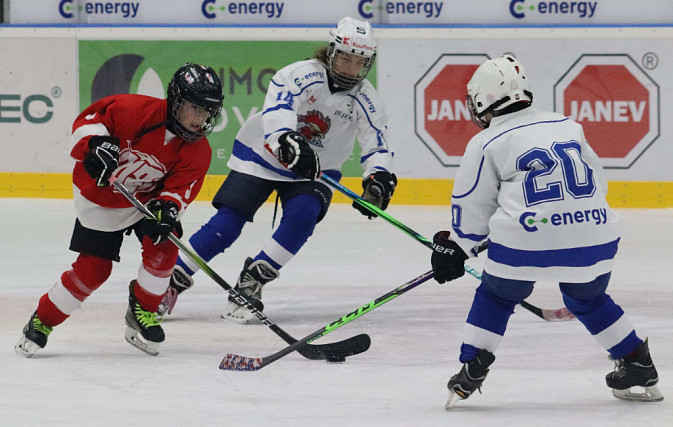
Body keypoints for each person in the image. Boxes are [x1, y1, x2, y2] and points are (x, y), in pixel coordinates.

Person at [430, 55, 662, 408]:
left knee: (497, 294)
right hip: (595, 234)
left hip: (527, 243)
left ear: (480, 101)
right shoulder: (568, 124)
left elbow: (471, 203)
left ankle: (472, 366)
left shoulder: (487, 141)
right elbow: (596, 182)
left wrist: (459, 245)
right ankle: (638, 363)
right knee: (587, 298)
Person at [157, 16, 396, 324]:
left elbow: (377, 143)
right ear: (332, 52)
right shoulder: (297, 75)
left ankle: (253, 278)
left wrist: (377, 176)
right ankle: (172, 279)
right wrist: (287, 139)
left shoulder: (366, 99)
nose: (350, 69)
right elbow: (278, 112)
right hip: (263, 155)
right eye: (346, 59)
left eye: (358, 62)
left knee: (301, 219)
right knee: (227, 224)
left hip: (314, 170)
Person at [15, 63, 224, 357]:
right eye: (195, 108)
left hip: (145, 202)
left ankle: (143, 309)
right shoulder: (132, 110)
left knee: (164, 245)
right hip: (102, 196)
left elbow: (181, 188)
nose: (201, 118)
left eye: (207, 112)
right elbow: (89, 122)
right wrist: (95, 145)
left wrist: (168, 207)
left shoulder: (198, 149)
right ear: (176, 101)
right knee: (93, 271)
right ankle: (43, 319)